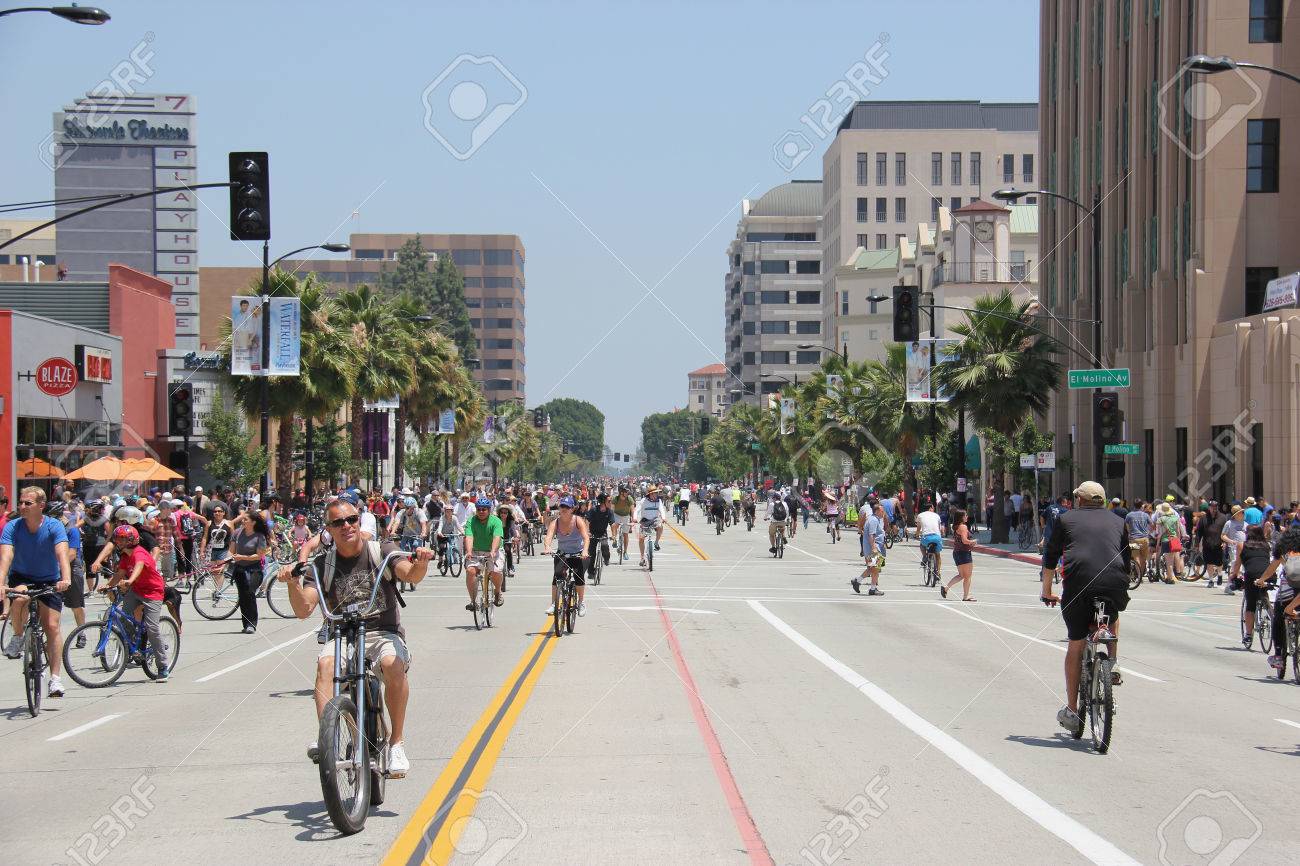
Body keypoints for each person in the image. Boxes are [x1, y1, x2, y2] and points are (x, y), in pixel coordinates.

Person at [283, 497, 433, 779]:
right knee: (325, 667)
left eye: (351, 519)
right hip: (342, 634)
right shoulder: (322, 564)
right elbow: (304, 609)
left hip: (381, 632)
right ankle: (328, 738)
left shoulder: (381, 550)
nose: (346, 526)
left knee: (392, 664)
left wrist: (421, 561)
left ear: (360, 520)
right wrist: (292, 583)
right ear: (328, 529)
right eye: (338, 522)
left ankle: (396, 743)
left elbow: (410, 574)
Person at [1040, 481, 1130, 736]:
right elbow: (1126, 559)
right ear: (1103, 500)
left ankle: (1071, 709)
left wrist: (1046, 591)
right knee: (1112, 615)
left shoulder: (1066, 520)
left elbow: (1050, 556)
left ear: (1079, 499)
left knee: (1076, 643)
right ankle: (1112, 662)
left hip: (1079, 584)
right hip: (1114, 583)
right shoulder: (1118, 521)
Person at [0, 487, 72, 696]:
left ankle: (55, 679)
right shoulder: (13, 527)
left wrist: (65, 579)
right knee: (20, 596)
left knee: (51, 626)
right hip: (22, 576)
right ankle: (18, 635)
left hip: (50, 579)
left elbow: (62, 554)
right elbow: (6, 556)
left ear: (41, 506)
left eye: (27, 503)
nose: (22, 507)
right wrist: (2, 582)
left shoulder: (54, 526)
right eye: (20, 502)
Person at [99, 524, 171, 680]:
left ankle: (163, 665)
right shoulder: (125, 557)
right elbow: (120, 573)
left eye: (121, 539)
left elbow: (138, 566)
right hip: (137, 590)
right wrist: (108, 585)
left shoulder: (139, 553)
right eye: (117, 539)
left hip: (152, 592)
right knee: (123, 616)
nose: (117, 542)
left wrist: (130, 580)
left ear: (131, 540)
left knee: (152, 628)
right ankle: (134, 646)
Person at [543, 495, 589, 616]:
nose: (563, 509)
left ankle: (581, 602)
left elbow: (586, 537)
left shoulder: (578, 520)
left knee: (579, 576)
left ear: (572, 509)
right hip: (563, 554)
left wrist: (584, 551)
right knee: (557, 577)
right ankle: (554, 603)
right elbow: (548, 536)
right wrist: (547, 547)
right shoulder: (555, 522)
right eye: (562, 506)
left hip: (578, 554)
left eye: (567, 507)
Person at [229, 509, 270, 634]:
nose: (242, 521)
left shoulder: (260, 536)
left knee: (250, 592)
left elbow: (259, 556)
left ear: (253, 522)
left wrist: (242, 557)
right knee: (243, 596)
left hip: (255, 569)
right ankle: (246, 624)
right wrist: (226, 562)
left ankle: (252, 623)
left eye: (245, 519)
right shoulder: (237, 533)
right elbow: (231, 551)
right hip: (240, 569)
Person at [463, 497, 505, 611]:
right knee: (470, 571)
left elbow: (497, 537)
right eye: (479, 509)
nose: (481, 512)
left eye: (484, 509)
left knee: (496, 572)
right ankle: (473, 601)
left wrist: (493, 551)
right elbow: (469, 537)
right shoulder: (471, 521)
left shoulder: (496, 521)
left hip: (493, 550)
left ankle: (497, 592)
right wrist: (469, 552)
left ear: (489, 510)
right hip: (476, 551)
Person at [1239, 525, 1274, 650]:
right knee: (1264, 592)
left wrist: (1234, 576)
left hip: (1252, 575)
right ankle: (1270, 612)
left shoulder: (1242, 545)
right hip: (1268, 574)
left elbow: (1237, 565)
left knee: (1250, 605)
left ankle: (1248, 634)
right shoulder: (1266, 546)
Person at [851, 500, 886, 596]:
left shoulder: (874, 519)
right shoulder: (873, 520)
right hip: (873, 548)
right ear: (877, 511)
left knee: (874, 569)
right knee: (874, 568)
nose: (883, 513)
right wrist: (874, 547)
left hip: (876, 547)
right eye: (882, 511)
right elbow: (871, 535)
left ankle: (866, 586)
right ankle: (862, 583)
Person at [942, 508, 976, 601]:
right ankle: (966, 596)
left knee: (961, 575)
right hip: (964, 552)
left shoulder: (956, 526)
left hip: (957, 552)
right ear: (961, 517)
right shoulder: (963, 527)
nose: (967, 517)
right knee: (968, 576)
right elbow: (964, 540)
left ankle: (946, 588)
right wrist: (972, 541)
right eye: (965, 515)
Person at [584, 493, 615, 580]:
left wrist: (613, 535)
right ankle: (591, 572)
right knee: (591, 554)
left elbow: (612, 524)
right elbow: (587, 521)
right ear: (603, 502)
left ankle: (606, 558)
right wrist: (587, 532)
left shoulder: (609, 512)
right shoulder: (594, 510)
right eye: (609, 501)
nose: (610, 502)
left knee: (605, 545)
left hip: (602, 533)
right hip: (593, 533)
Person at [1197, 501, 1228, 589]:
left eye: (1215, 507)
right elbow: (1199, 532)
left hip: (1219, 544)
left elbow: (1226, 531)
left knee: (1219, 562)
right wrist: (1197, 544)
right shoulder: (1203, 518)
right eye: (1211, 507)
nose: (1213, 508)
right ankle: (1211, 580)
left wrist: (1225, 542)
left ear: (1217, 507)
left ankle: (1220, 574)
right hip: (1207, 544)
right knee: (1209, 562)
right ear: (1209, 507)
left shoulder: (1223, 517)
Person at [637, 487, 670, 565]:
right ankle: (642, 558)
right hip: (645, 520)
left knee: (660, 526)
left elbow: (661, 510)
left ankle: (656, 542)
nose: (657, 494)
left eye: (657, 493)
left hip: (655, 520)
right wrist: (635, 518)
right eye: (655, 493)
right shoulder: (643, 501)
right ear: (650, 494)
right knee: (641, 538)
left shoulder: (658, 501)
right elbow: (637, 510)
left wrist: (664, 518)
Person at [915, 500, 944, 584]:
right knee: (938, 555)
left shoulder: (920, 515)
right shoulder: (937, 515)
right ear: (931, 508)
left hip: (926, 538)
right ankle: (938, 572)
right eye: (933, 507)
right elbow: (939, 528)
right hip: (937, 537)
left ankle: (924, 556)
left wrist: (917, 535)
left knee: (922, 545)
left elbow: (918, 528)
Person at [1123, 500, 1153, 580]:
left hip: (1134, 539)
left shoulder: (1129, 515)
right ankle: (1141, 576)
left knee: (1136, 557)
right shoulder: (1145, 515)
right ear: (1141, 506)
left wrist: (1129, 533)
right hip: (1144, 539)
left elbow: (1126, 525)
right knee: (1143, 558)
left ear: (1134, 505)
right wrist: (1149, 532)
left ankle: (1139, 576)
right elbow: (1152, 525)